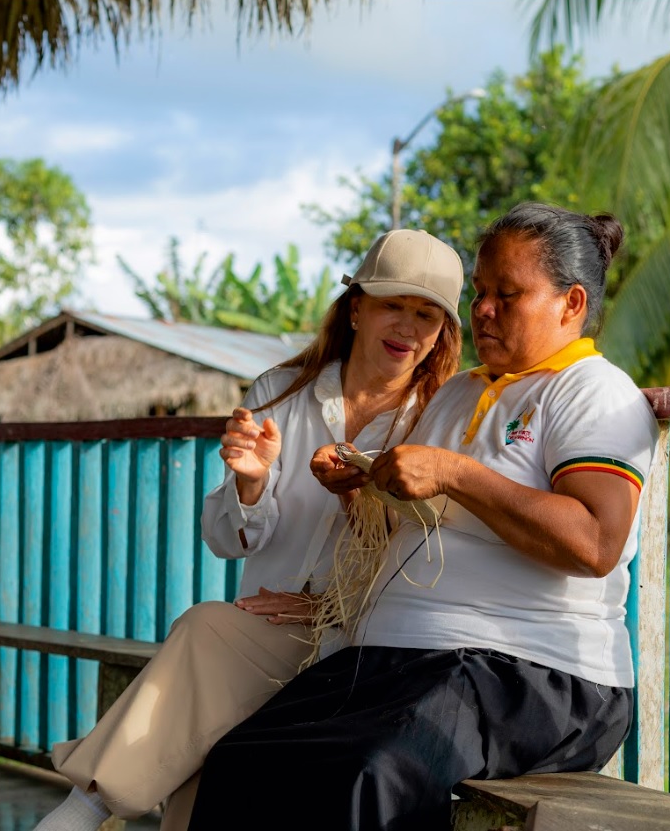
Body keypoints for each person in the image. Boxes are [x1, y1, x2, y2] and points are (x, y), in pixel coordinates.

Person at [185, 202, 660, 831]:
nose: (482, 310)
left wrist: (457, 473)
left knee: (369, 773)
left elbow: (596, 542)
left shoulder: (592, 391)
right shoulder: (460, 392)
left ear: (570, 304)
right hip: (403, 662)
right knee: (242, 760)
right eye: (480, 293)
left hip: (531, 673)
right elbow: (404, 529)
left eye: (507, 295)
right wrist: (356, 490)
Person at [32, 228, 465, 831]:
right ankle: (85, 809)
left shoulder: (444, 417)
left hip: (369, 644)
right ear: (356, 308)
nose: (408, 328)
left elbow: (436, 555)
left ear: (443, 332)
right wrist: (252, 484)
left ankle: (85, 808)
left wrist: (331, 600)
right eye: (393, 304)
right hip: (265, 632)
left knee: (204, 633)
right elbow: (225, 541)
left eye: (427, 315)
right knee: (209, 732)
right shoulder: (281, 392)